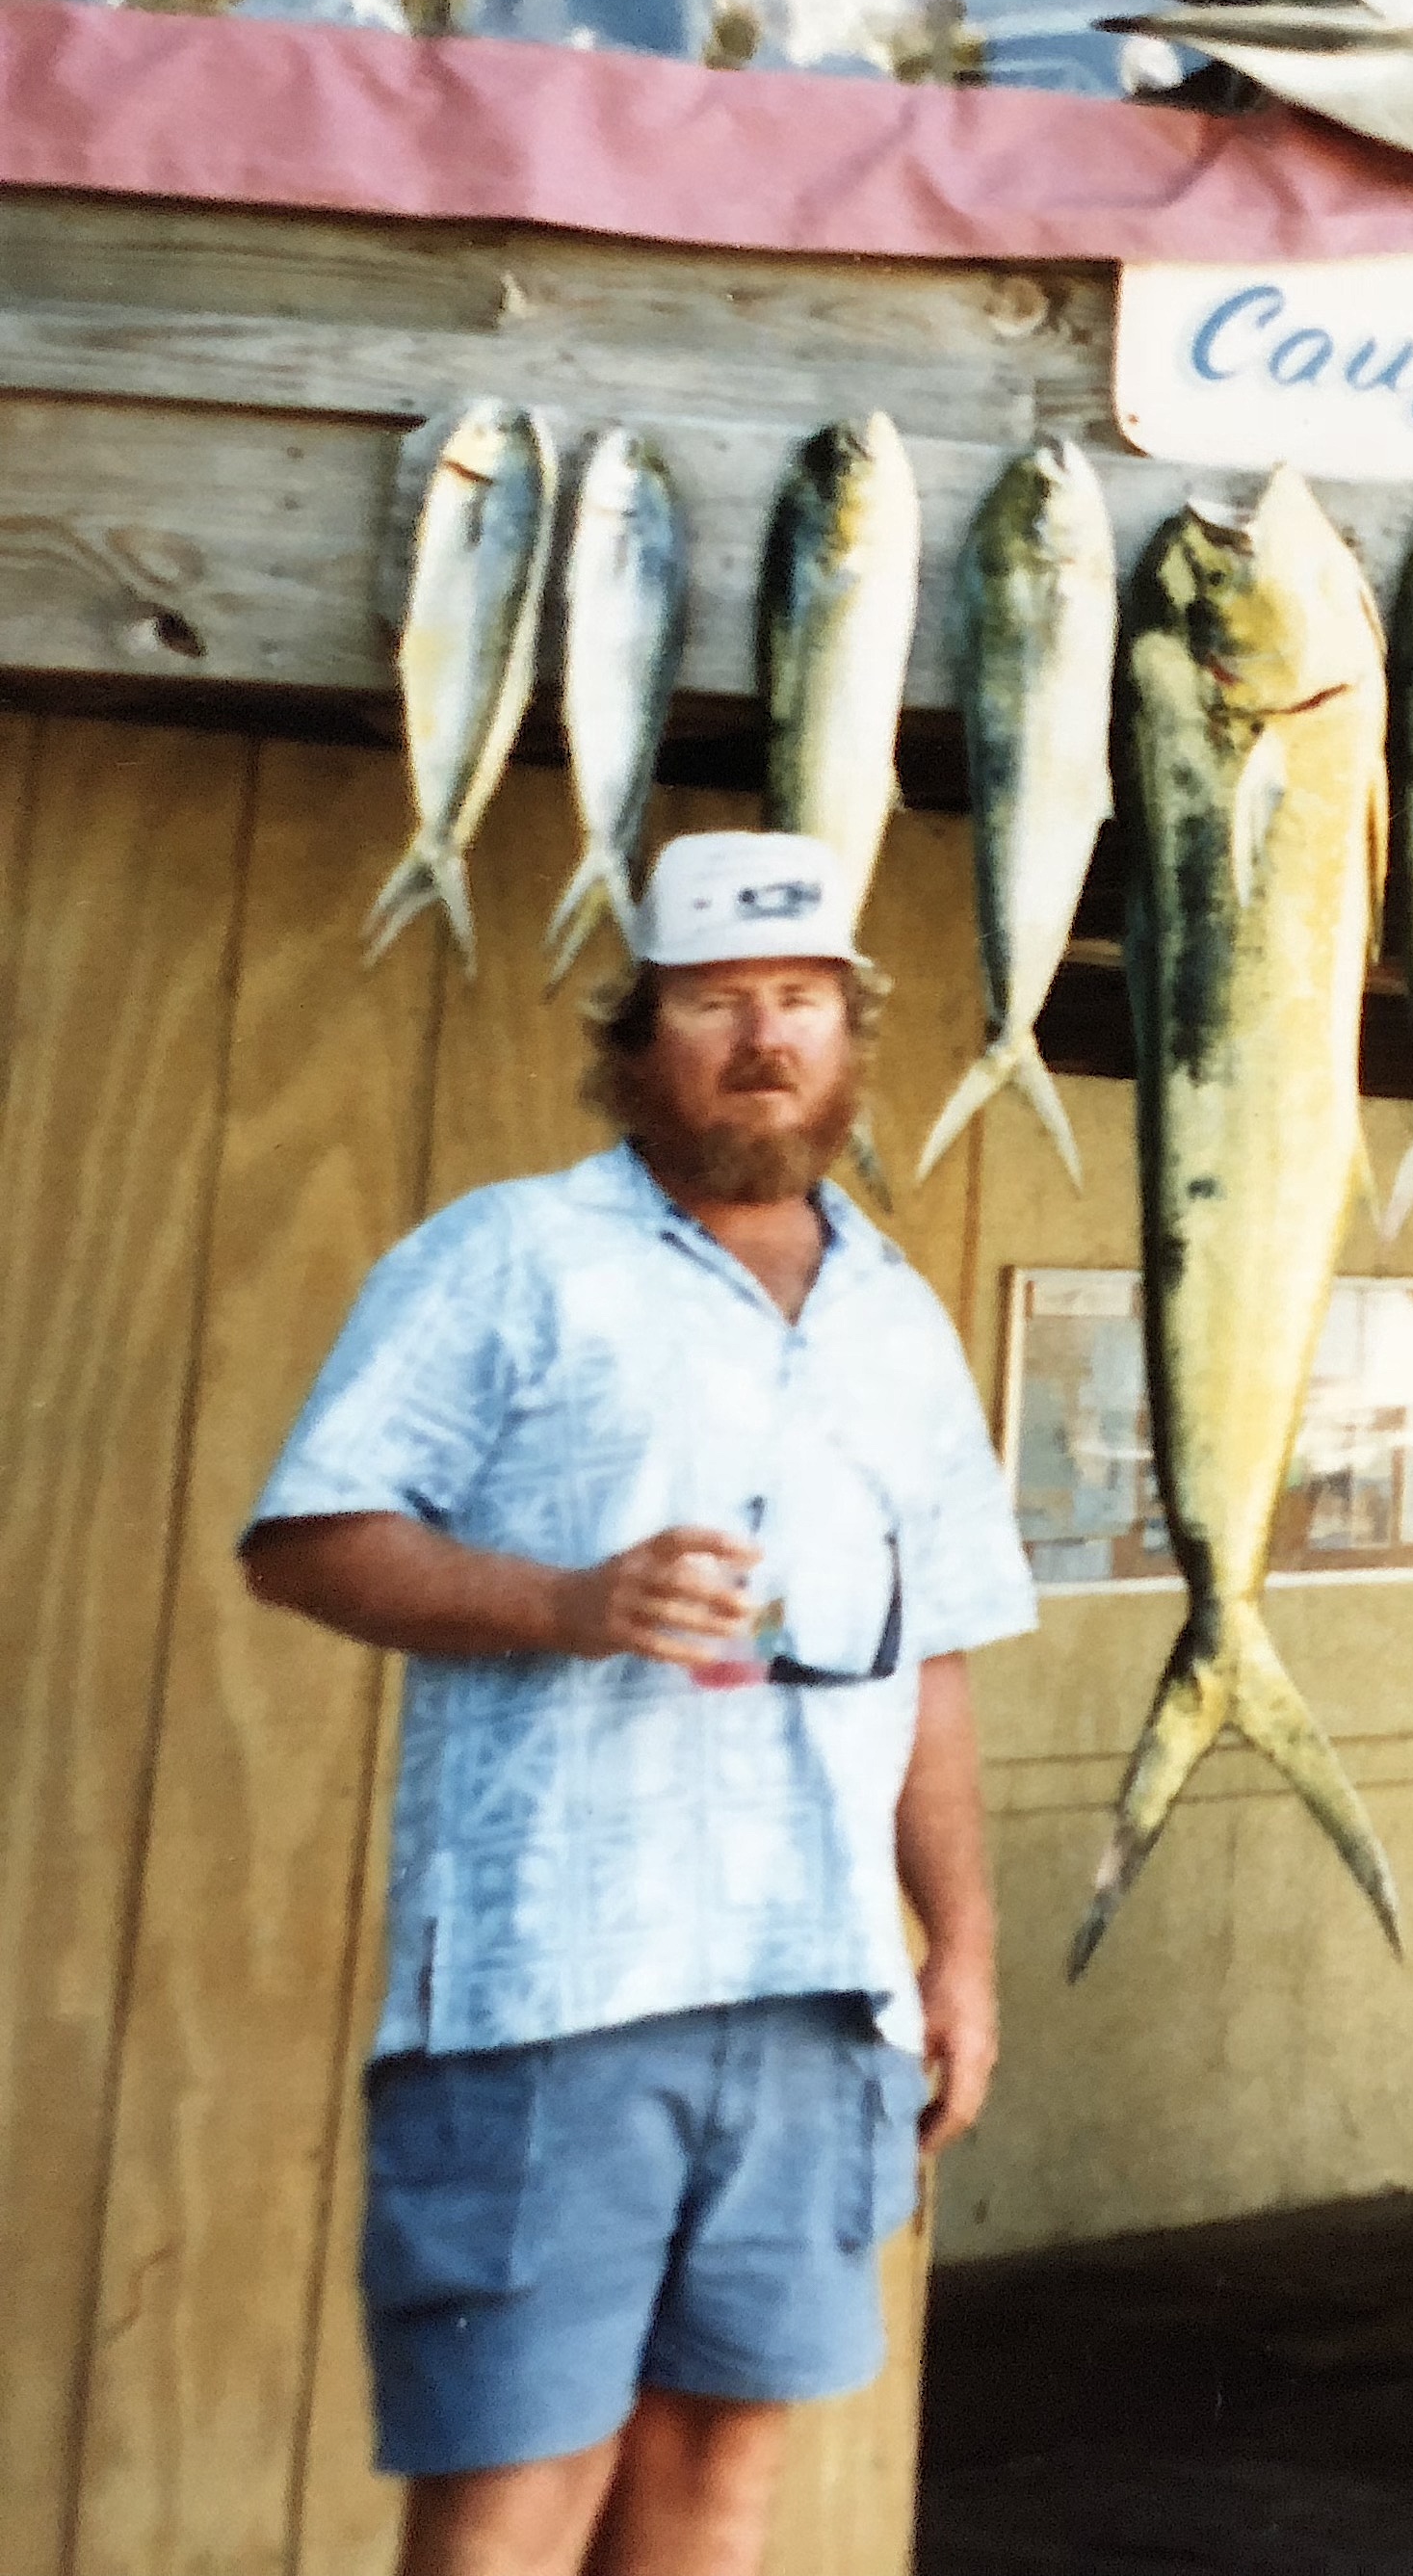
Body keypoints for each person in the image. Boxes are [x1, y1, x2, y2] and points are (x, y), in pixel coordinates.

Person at [242, 829, 1039, 2576]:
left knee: (716, 2488)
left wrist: (961, 1949)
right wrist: (568, 1602)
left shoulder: (899, 1317)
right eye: (718, 1004)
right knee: (516, 2495)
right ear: (635, 1041)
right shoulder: (505, 1257)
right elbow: (305, 1543)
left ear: (850, 1040)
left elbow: (936, 1654)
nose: (767, 1041)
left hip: (820, 1990)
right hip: (555, 1988)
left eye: (806, 1004)